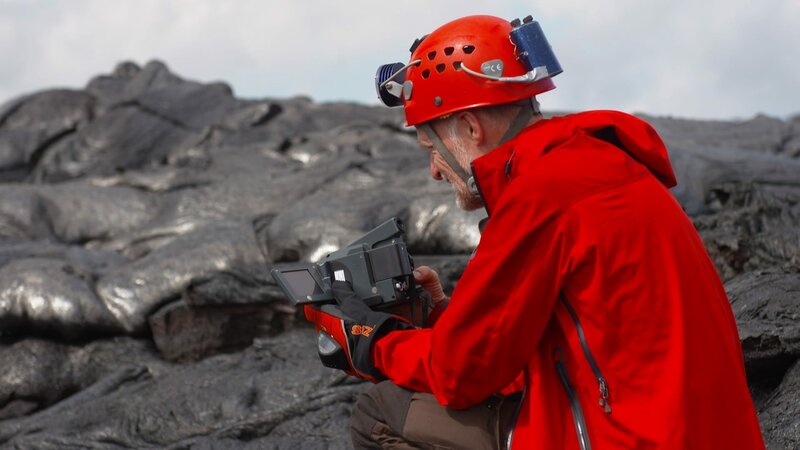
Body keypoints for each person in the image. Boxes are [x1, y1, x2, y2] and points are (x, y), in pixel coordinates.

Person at [306, 14, 766, 449]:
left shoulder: (542, 196)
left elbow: (460, 375)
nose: (433, 170)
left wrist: (372, 340)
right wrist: (439, 317)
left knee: (380, 412)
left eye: (432, 146)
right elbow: (519, 345)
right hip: (697, 430)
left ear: (468, 126)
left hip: (627, 437)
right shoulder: (605, 166)